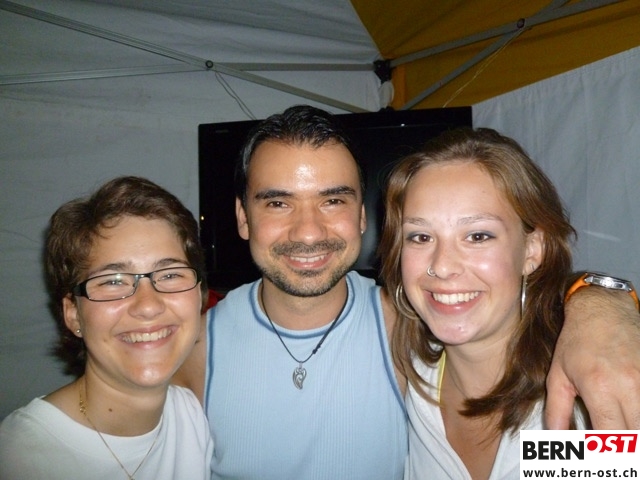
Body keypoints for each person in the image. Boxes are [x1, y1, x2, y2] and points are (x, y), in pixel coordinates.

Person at [174, 105, 640, 480]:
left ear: (362, 217)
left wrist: (600, 302)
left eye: (478, 235)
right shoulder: (419, 365)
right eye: (420, 236)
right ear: (242, 217)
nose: (308, 231)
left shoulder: (581, 399)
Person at [380, 127, 589, 479]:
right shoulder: (411, 379)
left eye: (477, 236)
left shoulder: (585, 405)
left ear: (532, 250)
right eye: (421, 236)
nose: (442, 266)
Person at [0, 176, 214, 480]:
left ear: (200, 296)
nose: (148, 305)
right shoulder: (20, 456)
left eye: (170, 275)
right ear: (73, 314)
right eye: (113, 281)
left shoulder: (193, 418)